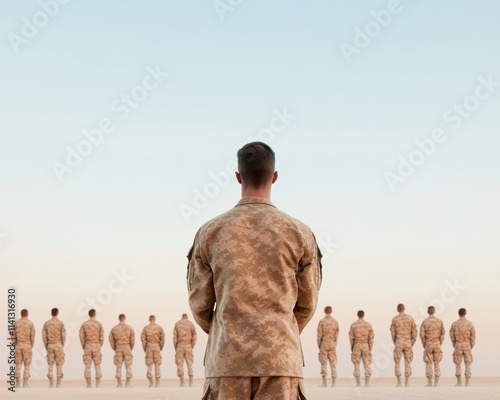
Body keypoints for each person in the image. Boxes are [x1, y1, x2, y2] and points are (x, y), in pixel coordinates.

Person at [188, 141, 322, 400]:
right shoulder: (299, 234)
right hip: (281, 362)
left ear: (238, 176)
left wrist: (231, 332)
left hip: (227, 362)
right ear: (274, 177)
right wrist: (277, 333)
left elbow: (200, 306)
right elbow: (307, 304)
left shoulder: (210, 232)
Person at [390, 303, 417, 387]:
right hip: (408, 342)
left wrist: (395, 341)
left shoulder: (395, 319)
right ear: (404, 308)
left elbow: (392, 332)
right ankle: (407, 382)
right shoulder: (410, 318)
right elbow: (414, 332)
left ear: (398, 309)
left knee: (397, 362)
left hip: (399, 341)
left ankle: (399, 383)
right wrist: (411, 342)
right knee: (408, 362)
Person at [419, 306, 445, 387]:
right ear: (434, 312)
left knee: (428, 363)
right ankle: (436, 383)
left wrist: (424, 344)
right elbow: (442, 334)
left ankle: (430, 383)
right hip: (437, 343)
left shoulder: (425, 322)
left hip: (428, 344)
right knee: (437, 363)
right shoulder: (439, 321)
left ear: (427, 312)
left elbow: (422, 335)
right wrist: (439, 343)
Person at [450, 308, 475, 387]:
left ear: (458, 313)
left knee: (458, 363)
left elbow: (451, 336)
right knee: (468, 363)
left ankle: (459, 382)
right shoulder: (470, 324)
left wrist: (455, 344)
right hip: (467, 345)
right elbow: (473, 337)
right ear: (465, 313)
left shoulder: (455, 324)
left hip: (458, 345)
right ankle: (467, 382)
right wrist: (470, 346)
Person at [79, 309, 104, 388]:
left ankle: (89, 384)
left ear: (89, 314)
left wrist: (84, 346)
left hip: (88, 345)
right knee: (97, 365)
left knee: (87, 365)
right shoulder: (99, 324)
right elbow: (102, 337)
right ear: (95, 314)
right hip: (96, 345)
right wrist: (99, 345)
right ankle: (98, 384)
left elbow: (81, 336)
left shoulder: (84, 324)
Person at [349, 310, 374, 387]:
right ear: (364, 315)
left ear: (357, 315)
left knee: (356, 364)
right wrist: (370, 348)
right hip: (365, 345)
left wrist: (352, 348)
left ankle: (358, 383)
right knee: (367, 364)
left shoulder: (353, 325)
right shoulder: (368, 325)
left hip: (357, 345)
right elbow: (371, 338)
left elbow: (351, 338)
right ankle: (367, 383)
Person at [42, 308, 66, 388]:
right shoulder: (60, 323)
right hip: (58, 344)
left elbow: (44, 336)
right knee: (59, 364)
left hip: (50, 345)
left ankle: (51, 383)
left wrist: (46, 346)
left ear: (51, 313)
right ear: (57, 313)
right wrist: (61, 345)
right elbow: (63, 336)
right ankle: (58, 384)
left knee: (50, 364)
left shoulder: (47, 323)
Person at [109, 314, 135, 388]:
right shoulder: (129, 328)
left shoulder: (114, 328)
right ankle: (128, 383)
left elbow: (111, 340)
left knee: (118, 366)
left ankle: (119, 384)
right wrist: (130, 348)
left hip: (118, 348)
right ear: (125, 318)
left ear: (119, 319)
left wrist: (115, 348)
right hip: (127, 347)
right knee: (128, 366)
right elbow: (132, 340)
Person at [317, 306, 339, 387]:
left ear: (324, 311)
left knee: (324, 363)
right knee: (333, 363)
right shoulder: (335, 322)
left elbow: (319, 335)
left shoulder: (322, 322)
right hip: (332, 343)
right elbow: (337, 334)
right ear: (331, 311)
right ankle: (333, 383)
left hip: (324, 343)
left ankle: (324, 383)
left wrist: (319, 345)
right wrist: (334, 342)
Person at [173, 313, 197, 387]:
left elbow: (174, 337)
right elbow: (195, 336)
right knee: (189, 363)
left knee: (180, 364)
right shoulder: (191, 324)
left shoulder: (177, 324)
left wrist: (176, 347)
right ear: (187, 317)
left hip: (180, 345)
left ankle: (182, 382)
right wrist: (191, 345)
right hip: (188, 345)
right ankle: (191, 382)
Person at [141, 315, 165, 387]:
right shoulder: (159, 328)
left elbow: (143, 339)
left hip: (149, 347)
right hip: (157, 346)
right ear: (155, 319)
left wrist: (146, 348)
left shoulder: (146, 328)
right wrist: (160, 347)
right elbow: (162, 339)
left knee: (149, 365)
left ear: (149, 319)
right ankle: (157, 383)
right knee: (157, 365)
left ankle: (151, 383)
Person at [14, 309, 35, 388]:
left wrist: (16, 343)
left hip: (19, 345)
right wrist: (31, 345)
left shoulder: (16, 323)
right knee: (27, 365)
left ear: (21, 314)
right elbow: (32, 336)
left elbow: (13, 336)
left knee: (18, 365)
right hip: (27, 345)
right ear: (27, 314)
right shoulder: (30, 323)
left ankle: (17, 384)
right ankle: (25, 384)